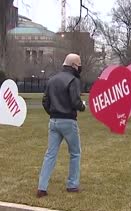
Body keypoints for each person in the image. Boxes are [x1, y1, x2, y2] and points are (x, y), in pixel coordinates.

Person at [37, 53, 86, 198]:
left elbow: (45, 101)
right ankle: (72, 184)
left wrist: (52, 112)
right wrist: (82, 107)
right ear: (73, 66)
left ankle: (42, 187)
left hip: (53, 120)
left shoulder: (52, 79)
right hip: (68, 120)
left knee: (50, 154)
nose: (80, 67)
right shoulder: (73, 80)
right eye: (79, 65)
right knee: (75, 153)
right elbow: (75, 102)